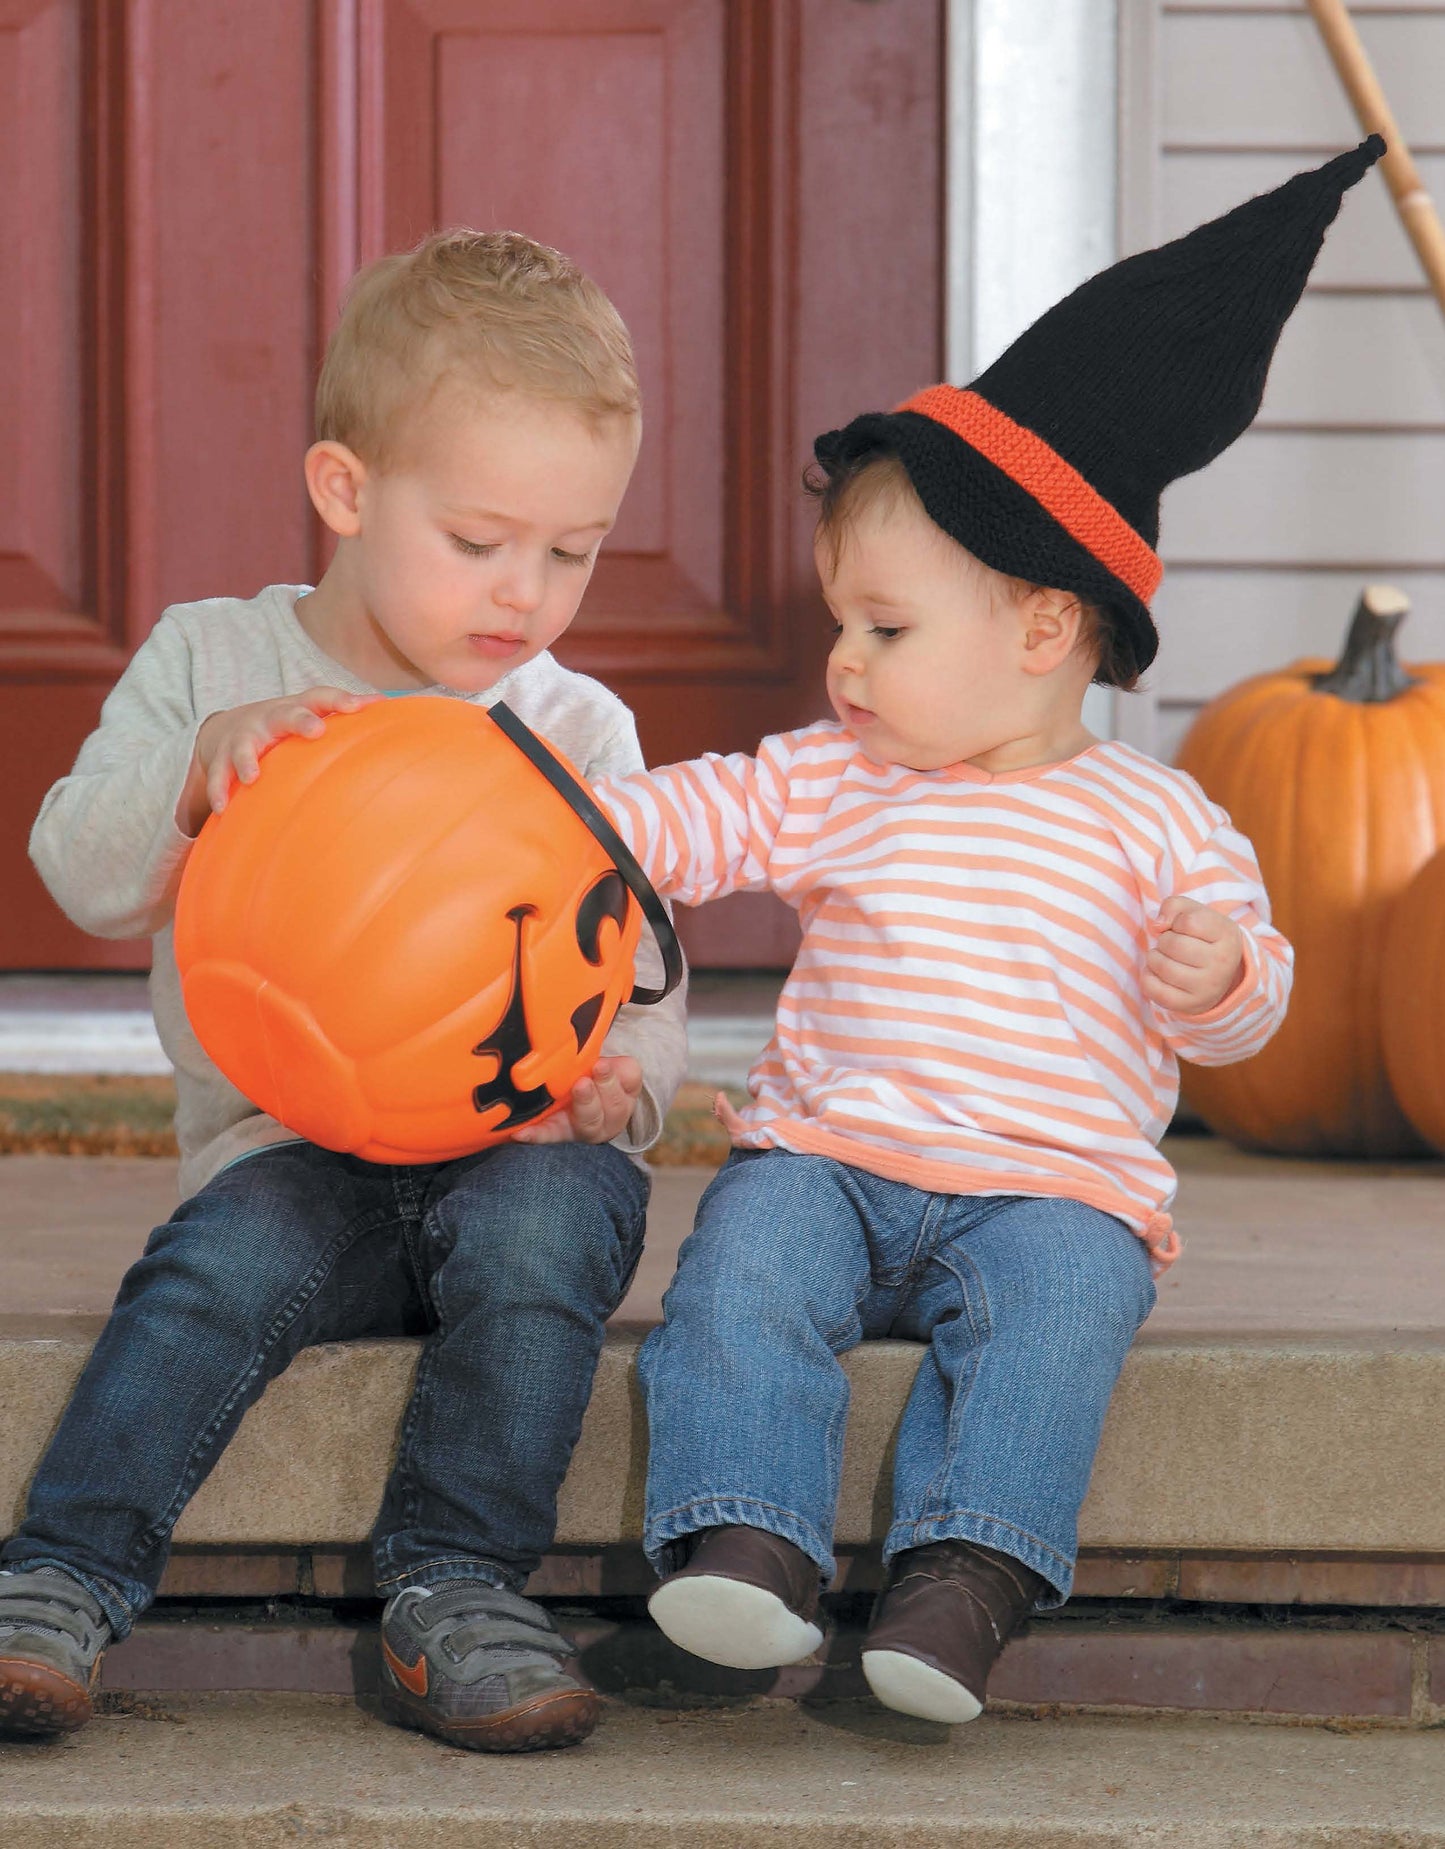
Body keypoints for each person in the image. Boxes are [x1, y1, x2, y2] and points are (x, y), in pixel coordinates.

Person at [588, 139, 1382, 1726]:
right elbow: (691, 817)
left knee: (1061, 1310)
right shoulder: (835, 775)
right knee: (742, 1265)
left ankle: (966, 1578)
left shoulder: (1158, 815)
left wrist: (1220, 977)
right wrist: (566, 817)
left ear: (1039, 626)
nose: (844, 663)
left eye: (883, 627)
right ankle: (747, 1542)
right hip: (831, 1150)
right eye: (841, 623)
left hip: (1046, 1185)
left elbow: (1251, 989)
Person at [0, 230, 687, 1754]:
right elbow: (78, 869)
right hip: (286, 1149)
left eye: (570, 551)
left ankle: (458, 1583)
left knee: (550, 1222)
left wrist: (624, 1080)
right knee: (211, 1272)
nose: (527, 591)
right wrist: (195, 774)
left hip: (506, 1152)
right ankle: (60, 1572)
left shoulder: (570, 725)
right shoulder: (214, 660)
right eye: (482, 540)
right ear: (346, 490)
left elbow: (640, 961)